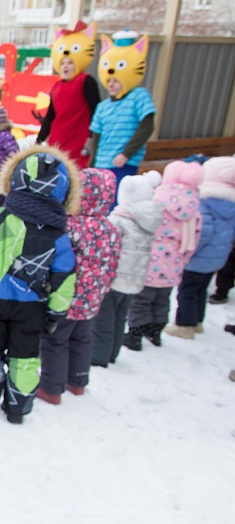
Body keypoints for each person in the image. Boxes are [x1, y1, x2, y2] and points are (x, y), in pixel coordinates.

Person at [0, 145, 80, 423]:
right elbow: (64, 276)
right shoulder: (58, 236)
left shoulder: (1, 218)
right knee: (25, 356)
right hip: (32, 306)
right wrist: (56, 312)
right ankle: (17, 408)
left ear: (16, 179)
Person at [37, 168, 121, 404]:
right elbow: (114, 261)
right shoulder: (110, 228)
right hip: (93, 298)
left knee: (55, 341)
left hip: (67, 298)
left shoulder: (68, 226)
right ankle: (78, 381)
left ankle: (52, 388)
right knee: (83, 338)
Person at [124, 162, 202, 350]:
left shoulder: (158, 199)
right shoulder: (194, 205)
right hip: (174, 260)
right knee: (162, 298)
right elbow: (196, 235)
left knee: (142, 298)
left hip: (152, 259)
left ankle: (135, 335)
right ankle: (156, 331)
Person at [91, 171, 164, 367]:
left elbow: (106, 249)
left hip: (114, 279)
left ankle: (99, 356)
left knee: (104, 319)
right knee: (120, 317)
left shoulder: (119, 220)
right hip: (135, 278)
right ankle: (113, 352)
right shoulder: (149, 218)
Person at [166, 156, 235, 339]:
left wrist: (189, 253)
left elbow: (203, 233)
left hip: (198, 258)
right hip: (217, 258)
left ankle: (185, 325)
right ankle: (197, 321)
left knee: (187, 290)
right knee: (201, 289)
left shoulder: (206, 203)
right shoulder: (230, 204)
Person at [89, 30, 156, 198]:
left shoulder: (139, 96)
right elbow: (96, 137)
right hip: (101, 164)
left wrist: (126, 153)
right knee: (100, 202)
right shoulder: (102, 107)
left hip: (123, 163)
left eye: (116, 80)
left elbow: (146, 127)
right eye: (109, 81)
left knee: (118, 202)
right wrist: (91, 164)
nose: (112, 84)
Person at [36, 21, 101, 169]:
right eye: (63, 63)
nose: (66, 66)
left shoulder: (86, 81)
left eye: (70, 63)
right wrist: (40, 139)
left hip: (79, 139)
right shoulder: (57, 86)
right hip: (59, 139)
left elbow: (96, 110)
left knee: (76, 175)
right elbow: (50, 115)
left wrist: (92, 138)